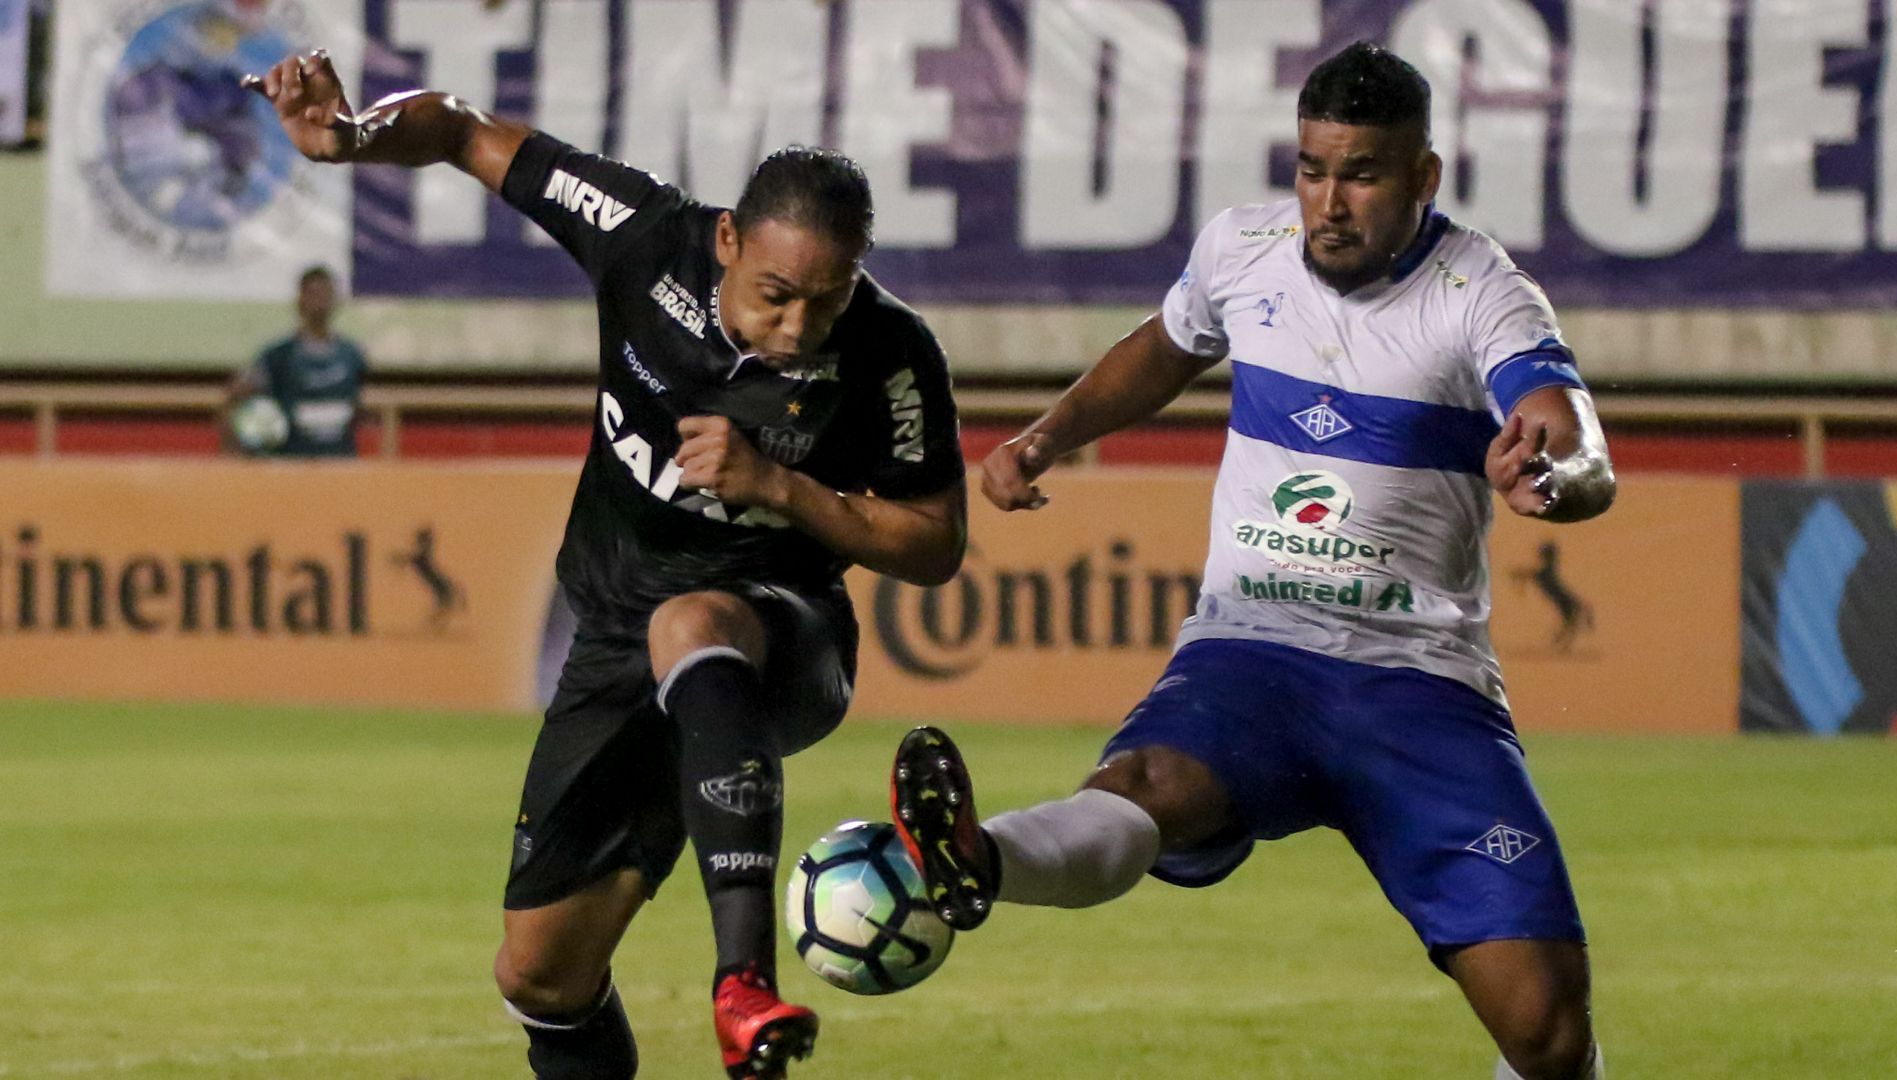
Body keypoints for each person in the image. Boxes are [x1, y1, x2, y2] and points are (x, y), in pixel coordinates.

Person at [890, 42, 1613, 1080]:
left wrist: (1552, 475)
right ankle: (976, 857)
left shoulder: (1482, 293)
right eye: (1312, 168)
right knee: (1145, 782)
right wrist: (1050, 434)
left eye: (1361, 173)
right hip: (1251, 650)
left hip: (1416, 680)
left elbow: (1575, 440)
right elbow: (1165, 346)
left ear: (1423, 177)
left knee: (1546, 1031)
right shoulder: (1243, 248)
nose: (1329, 201)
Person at [249, 49, 966, 1079]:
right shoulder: (644, 236)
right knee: (539, 975)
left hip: (783, 639)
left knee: (695, 621)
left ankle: (743, 986)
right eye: (774, 294)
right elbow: (459, 127)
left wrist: (783, 489)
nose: (799, 325)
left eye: (828, 298)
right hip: (615, 643)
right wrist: (355, 137)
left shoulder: (893, 354)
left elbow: (935, 543)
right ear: (725, 240)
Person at [226, 264, 368, 457]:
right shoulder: (278, 354)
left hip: (340, 461)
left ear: (335, 300)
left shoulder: (352, 354)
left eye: (325, 294)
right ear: (300, 300)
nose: (320, 302)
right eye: (312, 294)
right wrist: (241, 449)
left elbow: (362, 405)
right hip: (292, 465)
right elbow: (236, 397)